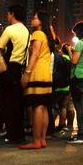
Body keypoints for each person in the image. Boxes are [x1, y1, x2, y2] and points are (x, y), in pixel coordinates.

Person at [19, 11, 54, 149]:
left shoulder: (38, 34)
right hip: (47, 73)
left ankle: (36, 140)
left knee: (36, 107)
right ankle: (42, 139)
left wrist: (27, 72)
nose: (32, 20)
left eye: (34, 18)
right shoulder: (47, 36)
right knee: (43, 107)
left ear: (41, 21)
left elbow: (34, 55)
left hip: (37, 72)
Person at [0, 4, 30, 143]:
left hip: (8, 68)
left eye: (8, 14)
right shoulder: (28, 32)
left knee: (6, 102)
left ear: (13, 14)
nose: (7, 16)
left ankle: (11, 134)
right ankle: (19, 134)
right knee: (18, 103)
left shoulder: (9, 29)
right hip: (20, 70)